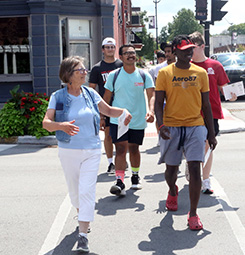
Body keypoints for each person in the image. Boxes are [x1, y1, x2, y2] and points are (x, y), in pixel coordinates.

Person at [42, 56, 132, 252]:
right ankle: (81, 214)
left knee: (86, 191)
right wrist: (61, 126)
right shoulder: (57, 97)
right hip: (68, 150)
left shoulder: (91, 94)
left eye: (84, 69)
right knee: (75, 192)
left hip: (91, 149)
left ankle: (83, 234)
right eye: (79, 70)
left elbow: (107, 110)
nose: (84, 72)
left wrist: (123, 112)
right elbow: (46, 123)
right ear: (68, 75)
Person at [155, 35, 217, 230]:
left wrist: (211, 132)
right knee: (171, 171)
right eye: (184, 49)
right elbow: (158, 103)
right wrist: (160, 125)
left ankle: (193, 214)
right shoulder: (165, 73)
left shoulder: (200, 73)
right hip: (171, 127)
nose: (189, 52)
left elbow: (206, 105)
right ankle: (172, 190)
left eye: (191, 49)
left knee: (195, 169)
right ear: (175, 51)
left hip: (195, 126)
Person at [103, 44, 155, 196]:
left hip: (138, 120)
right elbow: (106, 98)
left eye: (132, 53)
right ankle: (119, 181)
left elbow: (151, 95)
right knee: (120, 149)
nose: (130, 55)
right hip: (118, 121)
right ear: (121, 57)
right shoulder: (114, 75)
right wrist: (103, 118)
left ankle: (135, 176)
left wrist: (151, 111)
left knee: (134, 148)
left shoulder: (144, 75)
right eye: (126, 53)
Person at [189, 31, 237, 194]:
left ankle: (206, 180)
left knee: (208, 145)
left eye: (193, 47)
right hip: (190, 113)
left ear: (202, 46)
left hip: (211, 113)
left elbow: (224, 89)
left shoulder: (215, 66)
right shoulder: (185, 66)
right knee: (192, 146)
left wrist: (231, 96)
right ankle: (192, 166)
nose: (190, 50)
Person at [89, 37, 123, 175]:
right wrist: (99, 113)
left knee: (122, 136)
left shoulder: (121, 65)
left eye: (112, 47)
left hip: (121, 105)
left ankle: (122, 161)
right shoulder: (97, 68)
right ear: (103, 49)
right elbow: (91, 90)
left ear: (115, 49)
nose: (110, 49)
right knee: (108, 136)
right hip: (105, 107)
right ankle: (110, 163)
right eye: (107, 47)